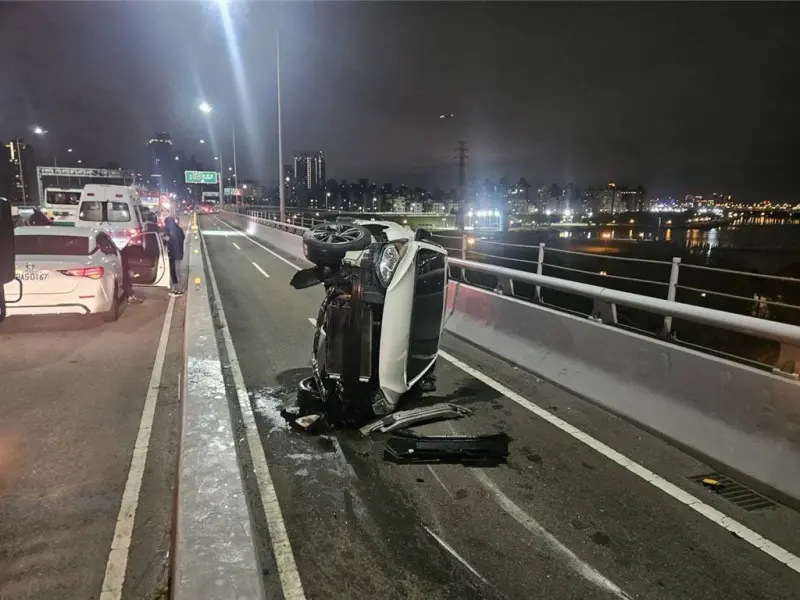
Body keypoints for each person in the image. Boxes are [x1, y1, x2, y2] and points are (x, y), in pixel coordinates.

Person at [164, 216, 186, 296]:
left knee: (176, 272)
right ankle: (176, 288)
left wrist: (166, 238)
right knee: (173, 271)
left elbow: (169, 239)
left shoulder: (173, 230)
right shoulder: (177, 229)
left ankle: (179, 290)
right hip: (176, 253)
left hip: (175, 254)